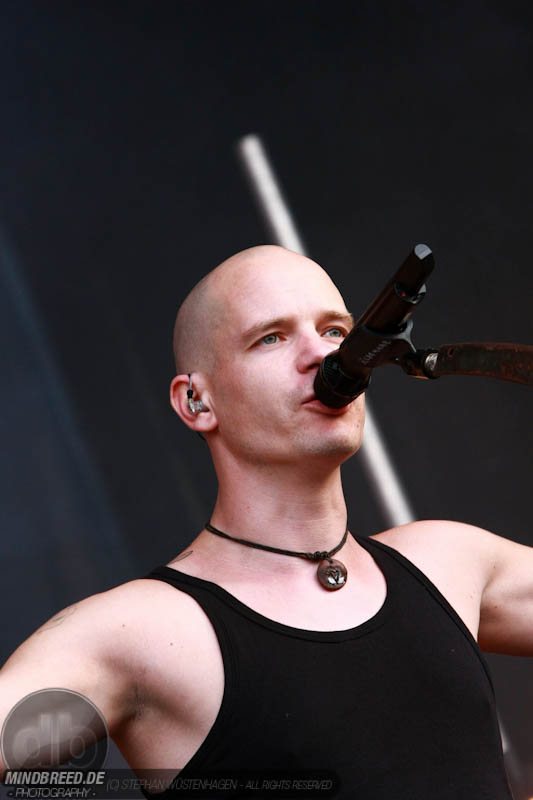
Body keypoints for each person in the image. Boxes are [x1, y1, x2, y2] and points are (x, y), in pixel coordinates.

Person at [0, 245, 531, 800]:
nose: (320, 354)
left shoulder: (450, 563)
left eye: (334, 331)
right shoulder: (139, 633)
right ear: (196, 401)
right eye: (271, 338)